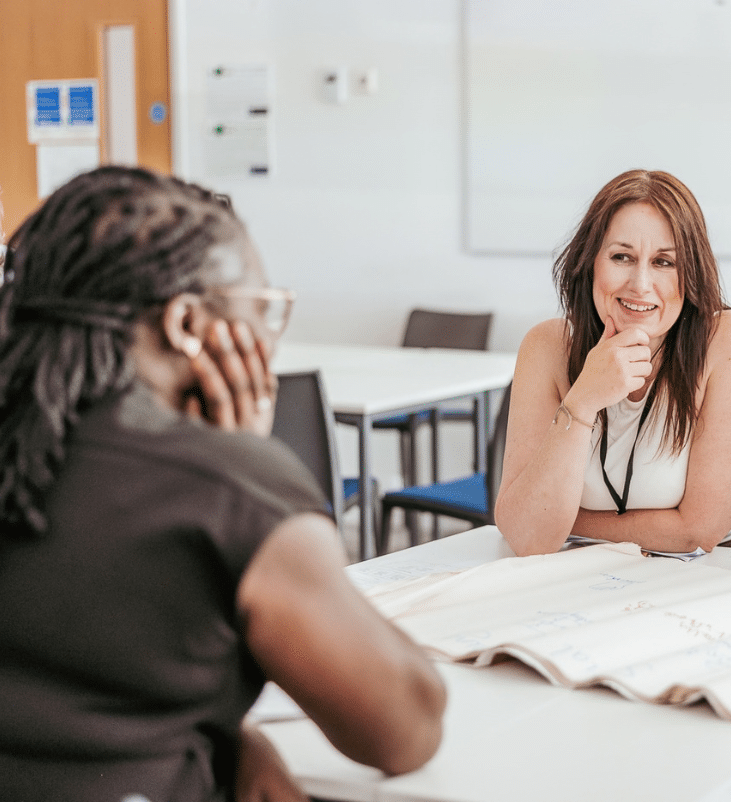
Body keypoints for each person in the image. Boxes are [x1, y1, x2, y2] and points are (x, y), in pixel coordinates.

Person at [0, 167, 446, 801]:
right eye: (262, 310)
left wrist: (227, 731)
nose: (269, 337)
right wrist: (245, 464)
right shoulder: (232, 490)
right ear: (187, 323)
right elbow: (406, 730)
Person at [493, 169, 731, 557]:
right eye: (621, 256)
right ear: (590, 262)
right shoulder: (547, 347)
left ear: (691, 271)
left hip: (696, 582)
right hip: (567, 578)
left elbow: (694, 533)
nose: (640, 284)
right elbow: (527, 538)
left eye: (664, 262)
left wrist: (565, 522)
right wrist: (583, 401)